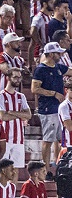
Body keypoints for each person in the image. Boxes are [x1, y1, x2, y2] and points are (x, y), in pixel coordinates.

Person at [32, 41, 72, 176]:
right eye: (57, 53)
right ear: (50, 54)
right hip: (48, 108)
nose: (60, 55)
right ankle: (46, 169)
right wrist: (53, 93)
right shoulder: (41, 69)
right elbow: (34, 88)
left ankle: (62, 166)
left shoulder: (58, 67)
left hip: (58, 108)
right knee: (48, 140)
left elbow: (70, 71)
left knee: (60, 139)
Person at [0, 68, 31, 170]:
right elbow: (3, 117)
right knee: (2, 169)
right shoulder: (0, 96)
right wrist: (20, 115)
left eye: (19, 77)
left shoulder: (21, 96)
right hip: (4, 138)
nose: (18, 80)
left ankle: (13, 187)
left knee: (15, 170)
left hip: (19, 138)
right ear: (8, 78)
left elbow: (28, 115)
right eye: (15, 77)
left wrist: (12, 112)